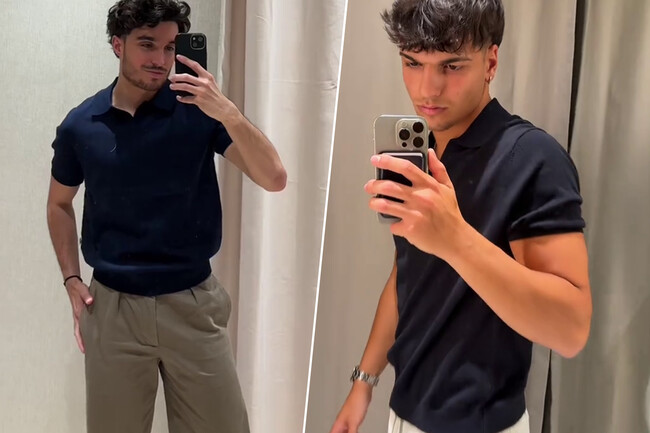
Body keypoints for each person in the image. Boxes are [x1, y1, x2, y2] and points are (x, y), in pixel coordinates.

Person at [330, 1, 592, 432]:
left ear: (491, 61)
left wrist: (455, 239)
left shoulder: (532, 158)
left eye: (451, 66)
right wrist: (364, 383)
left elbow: (571, 329)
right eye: (413, 63)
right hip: (404, 411)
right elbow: (406, 275)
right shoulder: (423, 154)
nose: (427, 89)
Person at [46, 1, 286, 432]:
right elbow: (58, 204)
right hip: (114, 308)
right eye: (147, 44)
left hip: (192, 302)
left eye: (170, 47)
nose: (161, 59)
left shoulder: (198, 112)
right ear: (117, 45)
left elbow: (274, 178)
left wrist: (226, 110)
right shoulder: (82, 126)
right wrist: (71, 279)